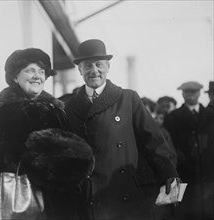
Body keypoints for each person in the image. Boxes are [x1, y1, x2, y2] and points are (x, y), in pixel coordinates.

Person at [0, 48, 93, 220]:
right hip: (20, 195)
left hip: (58, 199)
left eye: (42, 72)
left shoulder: (55, 109)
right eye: (30, 70)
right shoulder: (1, 108)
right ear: (14, 76)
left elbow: (74, 146)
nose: (37, 76)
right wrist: (27, 156)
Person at [64, 39, 180, 220]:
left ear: (108, 67)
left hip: (123, 189)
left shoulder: (128, 99)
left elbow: (154, 141)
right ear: (80, 70)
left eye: (99, 65)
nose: (94, 71)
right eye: (87, 66)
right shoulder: (69, 107)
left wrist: (169, 174)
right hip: (87, 194)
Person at [163, 81, 214, 220]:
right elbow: (168, 146)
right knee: (188, 213)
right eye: (187, 92)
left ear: (199, 93)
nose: (190, 95)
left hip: (209, 176)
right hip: (185, 175)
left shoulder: (210, 115)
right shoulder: (172, 117)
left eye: (194, 91)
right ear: (182, 93)